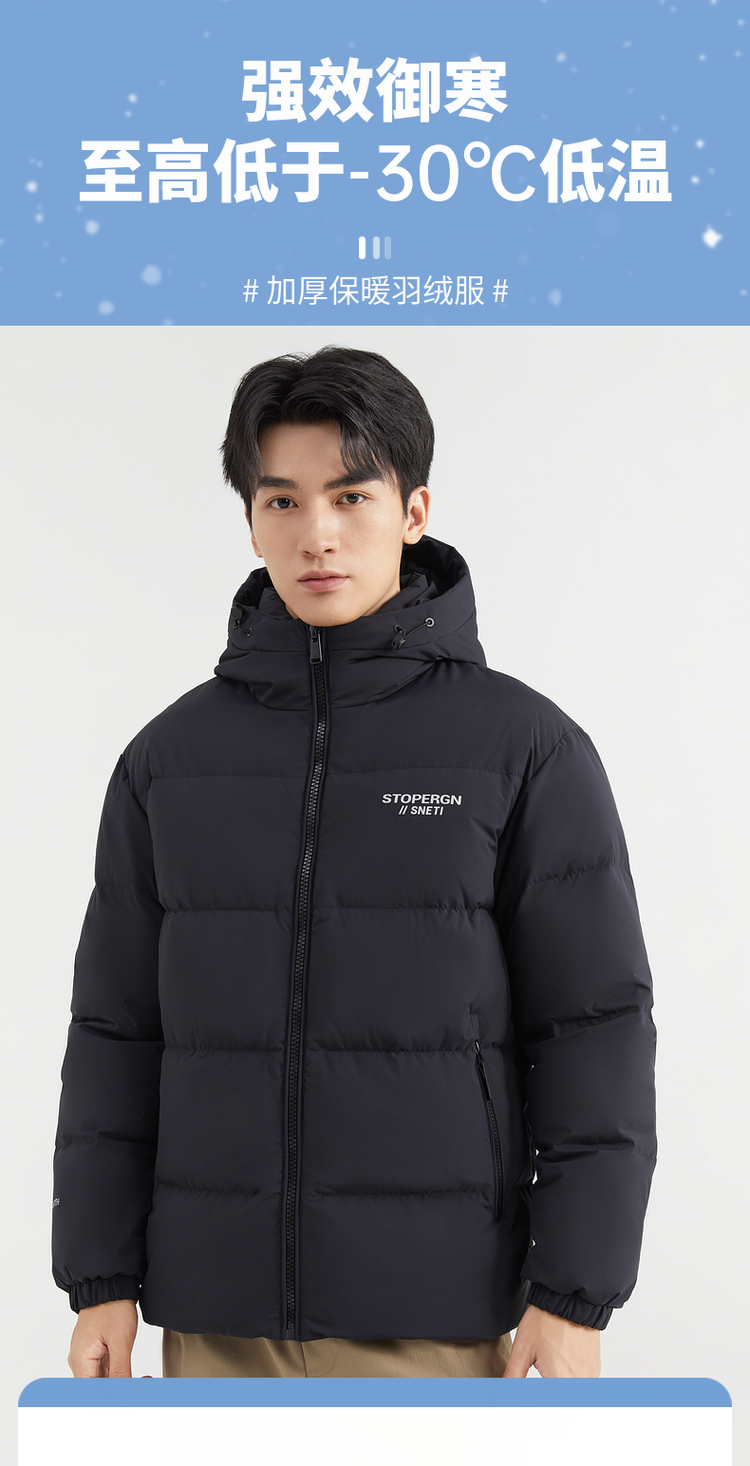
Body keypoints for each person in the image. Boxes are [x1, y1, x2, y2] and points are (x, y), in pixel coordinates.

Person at [52, 346, 657, 1381]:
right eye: (282, 500)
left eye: (350, 495)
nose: (317, 534)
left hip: (435, 1316)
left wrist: (574, 1293)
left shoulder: (522, 749)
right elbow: (116, 1032)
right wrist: (100, 1275)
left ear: (414, 509)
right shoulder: (169, 762)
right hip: (217, 1316)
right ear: (251, 521)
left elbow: (593, 1027)